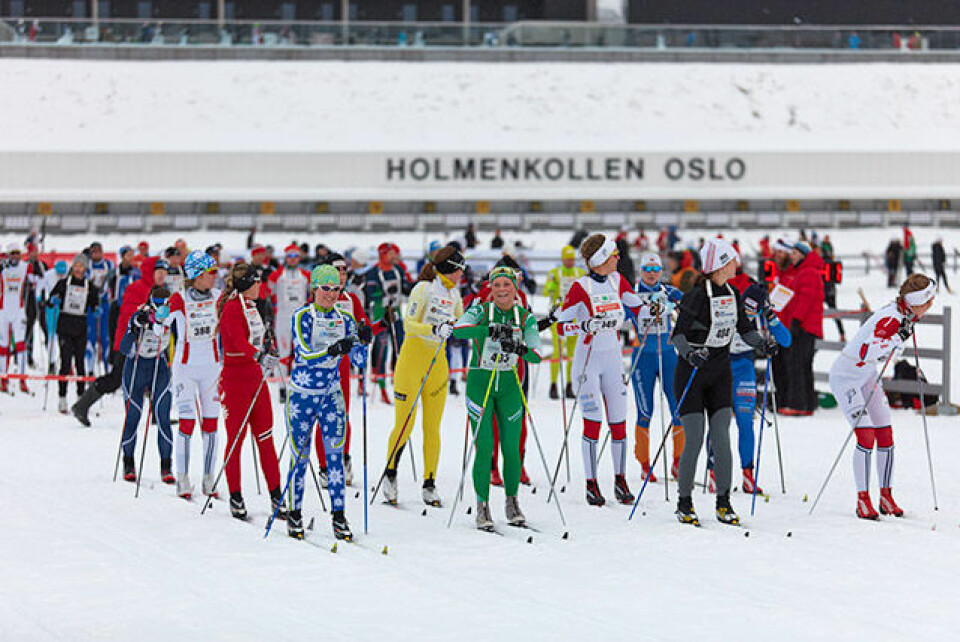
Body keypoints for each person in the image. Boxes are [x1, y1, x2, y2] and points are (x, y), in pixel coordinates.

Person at [671, 238, 776, 526]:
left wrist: (763, 344)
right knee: (694, 438)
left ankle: (723, 502)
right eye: (731, 261)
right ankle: (684, 502)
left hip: (719, 373)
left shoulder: (732, 293)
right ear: (719, 265)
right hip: (692, 374)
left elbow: (745, 330)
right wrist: (691, 354)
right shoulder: (695, 296)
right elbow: (678, 336)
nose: (736, 265)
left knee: (721, 437)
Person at [828, 273, 936, 519]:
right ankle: (862, 500)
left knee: (885, 433)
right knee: (866, 435)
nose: (929, 308)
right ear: (914, 301)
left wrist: (898, 341)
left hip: (867, 377)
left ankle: (886, 496)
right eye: (926, 303)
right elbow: (867, 350)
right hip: (847, 378)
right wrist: (897, 337)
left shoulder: (904, 314)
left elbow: (890, 352)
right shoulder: (891, 318)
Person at [555, 233, 643, 506]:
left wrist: (658, 305)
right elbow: (560, 325)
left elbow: (638, 308)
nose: (618, 258)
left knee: (618, 423)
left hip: (613, 359)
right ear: (600, 260)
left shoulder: (618, 280)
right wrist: (584, 326)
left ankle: (620, 479)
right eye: (613, 254)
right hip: (587, 361)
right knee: (592, 422)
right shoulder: (581, 287)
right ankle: (591, 483)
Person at [452, 266, 542, 530]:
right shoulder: (481, 310)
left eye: (507, 284)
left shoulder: (524, 317)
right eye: (497, 284)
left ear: (515, 288)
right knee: (485, 446)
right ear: (490, 288)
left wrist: (518, 347)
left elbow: (536, 354)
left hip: (509, 385)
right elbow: (459, 330)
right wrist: (487, 331)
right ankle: (482, 504)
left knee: (511, 448)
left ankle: (512, 501)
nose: (502, 289)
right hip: (481, 382)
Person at [283, 265, 367, 540]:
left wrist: (363, 343)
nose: (331, 294)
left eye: (336, 289)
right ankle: (294, 513)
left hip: (331, 396)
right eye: (325, 288)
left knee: (335, 457)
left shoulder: (345, 319)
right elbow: (305, 353)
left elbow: (359, 362)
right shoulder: (302, 316)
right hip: (302, 395)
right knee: (300, 456)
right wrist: (333, 349)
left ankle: (339, 516)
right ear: (314, 289)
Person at [382, 246, 465, 507]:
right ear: (451, 268)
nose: (462, 274)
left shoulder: (454, 293)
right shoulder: (424, 288)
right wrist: (434, 327)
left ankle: (430, 483)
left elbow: (462, 324)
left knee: (432, 427)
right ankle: (391, 473)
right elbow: (408, 324)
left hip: (437, 362)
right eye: (460, 268)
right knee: (405, 423)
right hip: (412, 361)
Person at [706, 280, 791, 494]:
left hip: (744, 370)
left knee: (746, 422)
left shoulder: (763, 316)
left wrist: (772, 319)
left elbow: (787, 340)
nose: (749, 313)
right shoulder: (731, 308)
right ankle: (713, 472)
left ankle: (748, 474)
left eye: (754, 309)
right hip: (722, 368)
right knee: (719, 422)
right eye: (746, 307)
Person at [217, 262, 285, 522]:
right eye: (256, 282)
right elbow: (235, 340)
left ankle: (276, 495)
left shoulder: (253, 306)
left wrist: (267, 351)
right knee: (236, 440)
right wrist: (258, 355)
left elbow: (257, 338)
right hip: (235, 381)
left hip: (256, 379)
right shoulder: (232, 308)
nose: (261, 286)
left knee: (266, 437)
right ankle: (235, 495)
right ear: (247, 285)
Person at [71, 258, 169, 426]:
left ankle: (158, 415)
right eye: (158, 272)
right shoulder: (135, 288)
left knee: (156, 376)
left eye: (164, 273)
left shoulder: (161, 292)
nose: (162, 276)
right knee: (116, 379)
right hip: (129, 342)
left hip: (150, 343)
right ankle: (82, 405)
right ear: (149, 272)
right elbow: (130, 313)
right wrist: (149, 316)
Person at [314, 252, 374, 488]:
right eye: (337, 270)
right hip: (321, 365)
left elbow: (363, 328)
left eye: (344, 271)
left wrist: (375, 327)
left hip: (343, 366)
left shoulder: (351, 299)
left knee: (343, 415)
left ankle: (344, 457)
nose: (341, 275)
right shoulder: (318, 299)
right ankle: (324, 466)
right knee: (323, 417)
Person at [165, 251, 222, 500]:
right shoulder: (178, 299)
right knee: (187, 424)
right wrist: (150, 316)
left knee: (211, 425)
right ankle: (183, 477)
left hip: (212, 369)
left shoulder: (220, 297)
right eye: (211, 272)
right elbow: (160, 325)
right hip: (185, 369)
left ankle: (209, 477)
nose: (215, 277)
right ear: (197, 276)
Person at [631, 253, 685, 482]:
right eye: (647, 269)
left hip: (668, 356)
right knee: (645, 411)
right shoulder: (632, 294)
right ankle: (644, 463)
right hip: (643, 358)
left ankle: (677, 461)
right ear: (641, 271)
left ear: (661, 272)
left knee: (678, 408)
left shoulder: (669, 291)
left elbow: (691, 309)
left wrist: (676, 309)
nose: (651, 274)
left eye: (655, 269)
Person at [117, 286, 174, 484]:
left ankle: (166, 466)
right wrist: (134, 327)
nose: (160, 310)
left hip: (159, 367)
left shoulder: (172, 315)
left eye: (164, 305)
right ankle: (129, 462)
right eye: (156, 306)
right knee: (133, 416)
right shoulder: (140, 314)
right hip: (136, 367)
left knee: (163, 416)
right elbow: (124, 348)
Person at [50, 256, 100, 413]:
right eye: (76, 266)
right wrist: (53, 300)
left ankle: (81, 397)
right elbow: (49, 301)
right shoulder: (63, 283)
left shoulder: (89, 286)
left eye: (81, 266)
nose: (78, 269)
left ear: (85, 269)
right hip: (65, 326)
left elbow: (94, 303)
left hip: (80, 327)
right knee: (65, 362)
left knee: (80, 363)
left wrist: (97, 308)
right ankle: (62, 397)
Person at [780, 241, 824, 416]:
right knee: (804, 365)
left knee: (797, 364)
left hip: (804, 326)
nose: (792, 256)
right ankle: (807, 402)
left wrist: (796, 321)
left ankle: (798, 403)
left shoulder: (808, 273)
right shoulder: (805, 272)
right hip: (807, 326)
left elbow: (805, 300)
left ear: (804, 255)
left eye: (796, 253)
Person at [364, 242, 411, 404]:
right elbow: (371, 294)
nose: (394, 256)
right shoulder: (373, 272)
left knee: (401, 345)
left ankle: (398, 381)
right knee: (382, 347)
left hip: (396, 312)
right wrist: (384, 297)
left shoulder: (398, 269)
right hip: (381, 314)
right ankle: (381, 385)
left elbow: (405, 287)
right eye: (391, 254)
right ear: (383, 254)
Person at [267, 243, 311, 398]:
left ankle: (300, 385)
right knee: (283, 353)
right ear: (286, 257)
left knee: (301, 352)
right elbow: (265, 292)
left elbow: (313, 293)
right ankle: (282, 388)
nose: (293, 260)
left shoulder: (306, 275)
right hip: (283, 319)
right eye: (290, 256)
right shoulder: (278, 274)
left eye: (296, 256)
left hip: (300, 319)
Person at [542, 245, 585, 400]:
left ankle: (569, 385)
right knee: (557, 351)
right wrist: (551, 287)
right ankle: (553, 384)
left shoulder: (579, 273)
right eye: (567, 259)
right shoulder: (555, 273)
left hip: (574, 317)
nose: (569, 262)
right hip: (558, 317)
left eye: (572, 259)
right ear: (562, 259)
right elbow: (545, 290)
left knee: (573, 353)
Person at [0, 244, 37, 394]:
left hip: (19, 310)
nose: (15, 256)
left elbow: (36, 280)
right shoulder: (3, 267)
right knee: (3, 345)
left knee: (20, 345)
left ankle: (22, 379)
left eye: (17, 254)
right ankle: (3, 378)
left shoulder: (25, 266)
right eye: (12, 254)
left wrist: (35, 260)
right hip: (3, 311)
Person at [84, 242, 114, 375]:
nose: (96, 254)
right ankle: (90, 370)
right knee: (90, 337)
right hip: (91, 305)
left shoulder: (109, 265)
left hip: (105, 304)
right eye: (93, 251)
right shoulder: (87, 266)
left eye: (98, 251)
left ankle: (108, 369)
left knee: (105, 337)